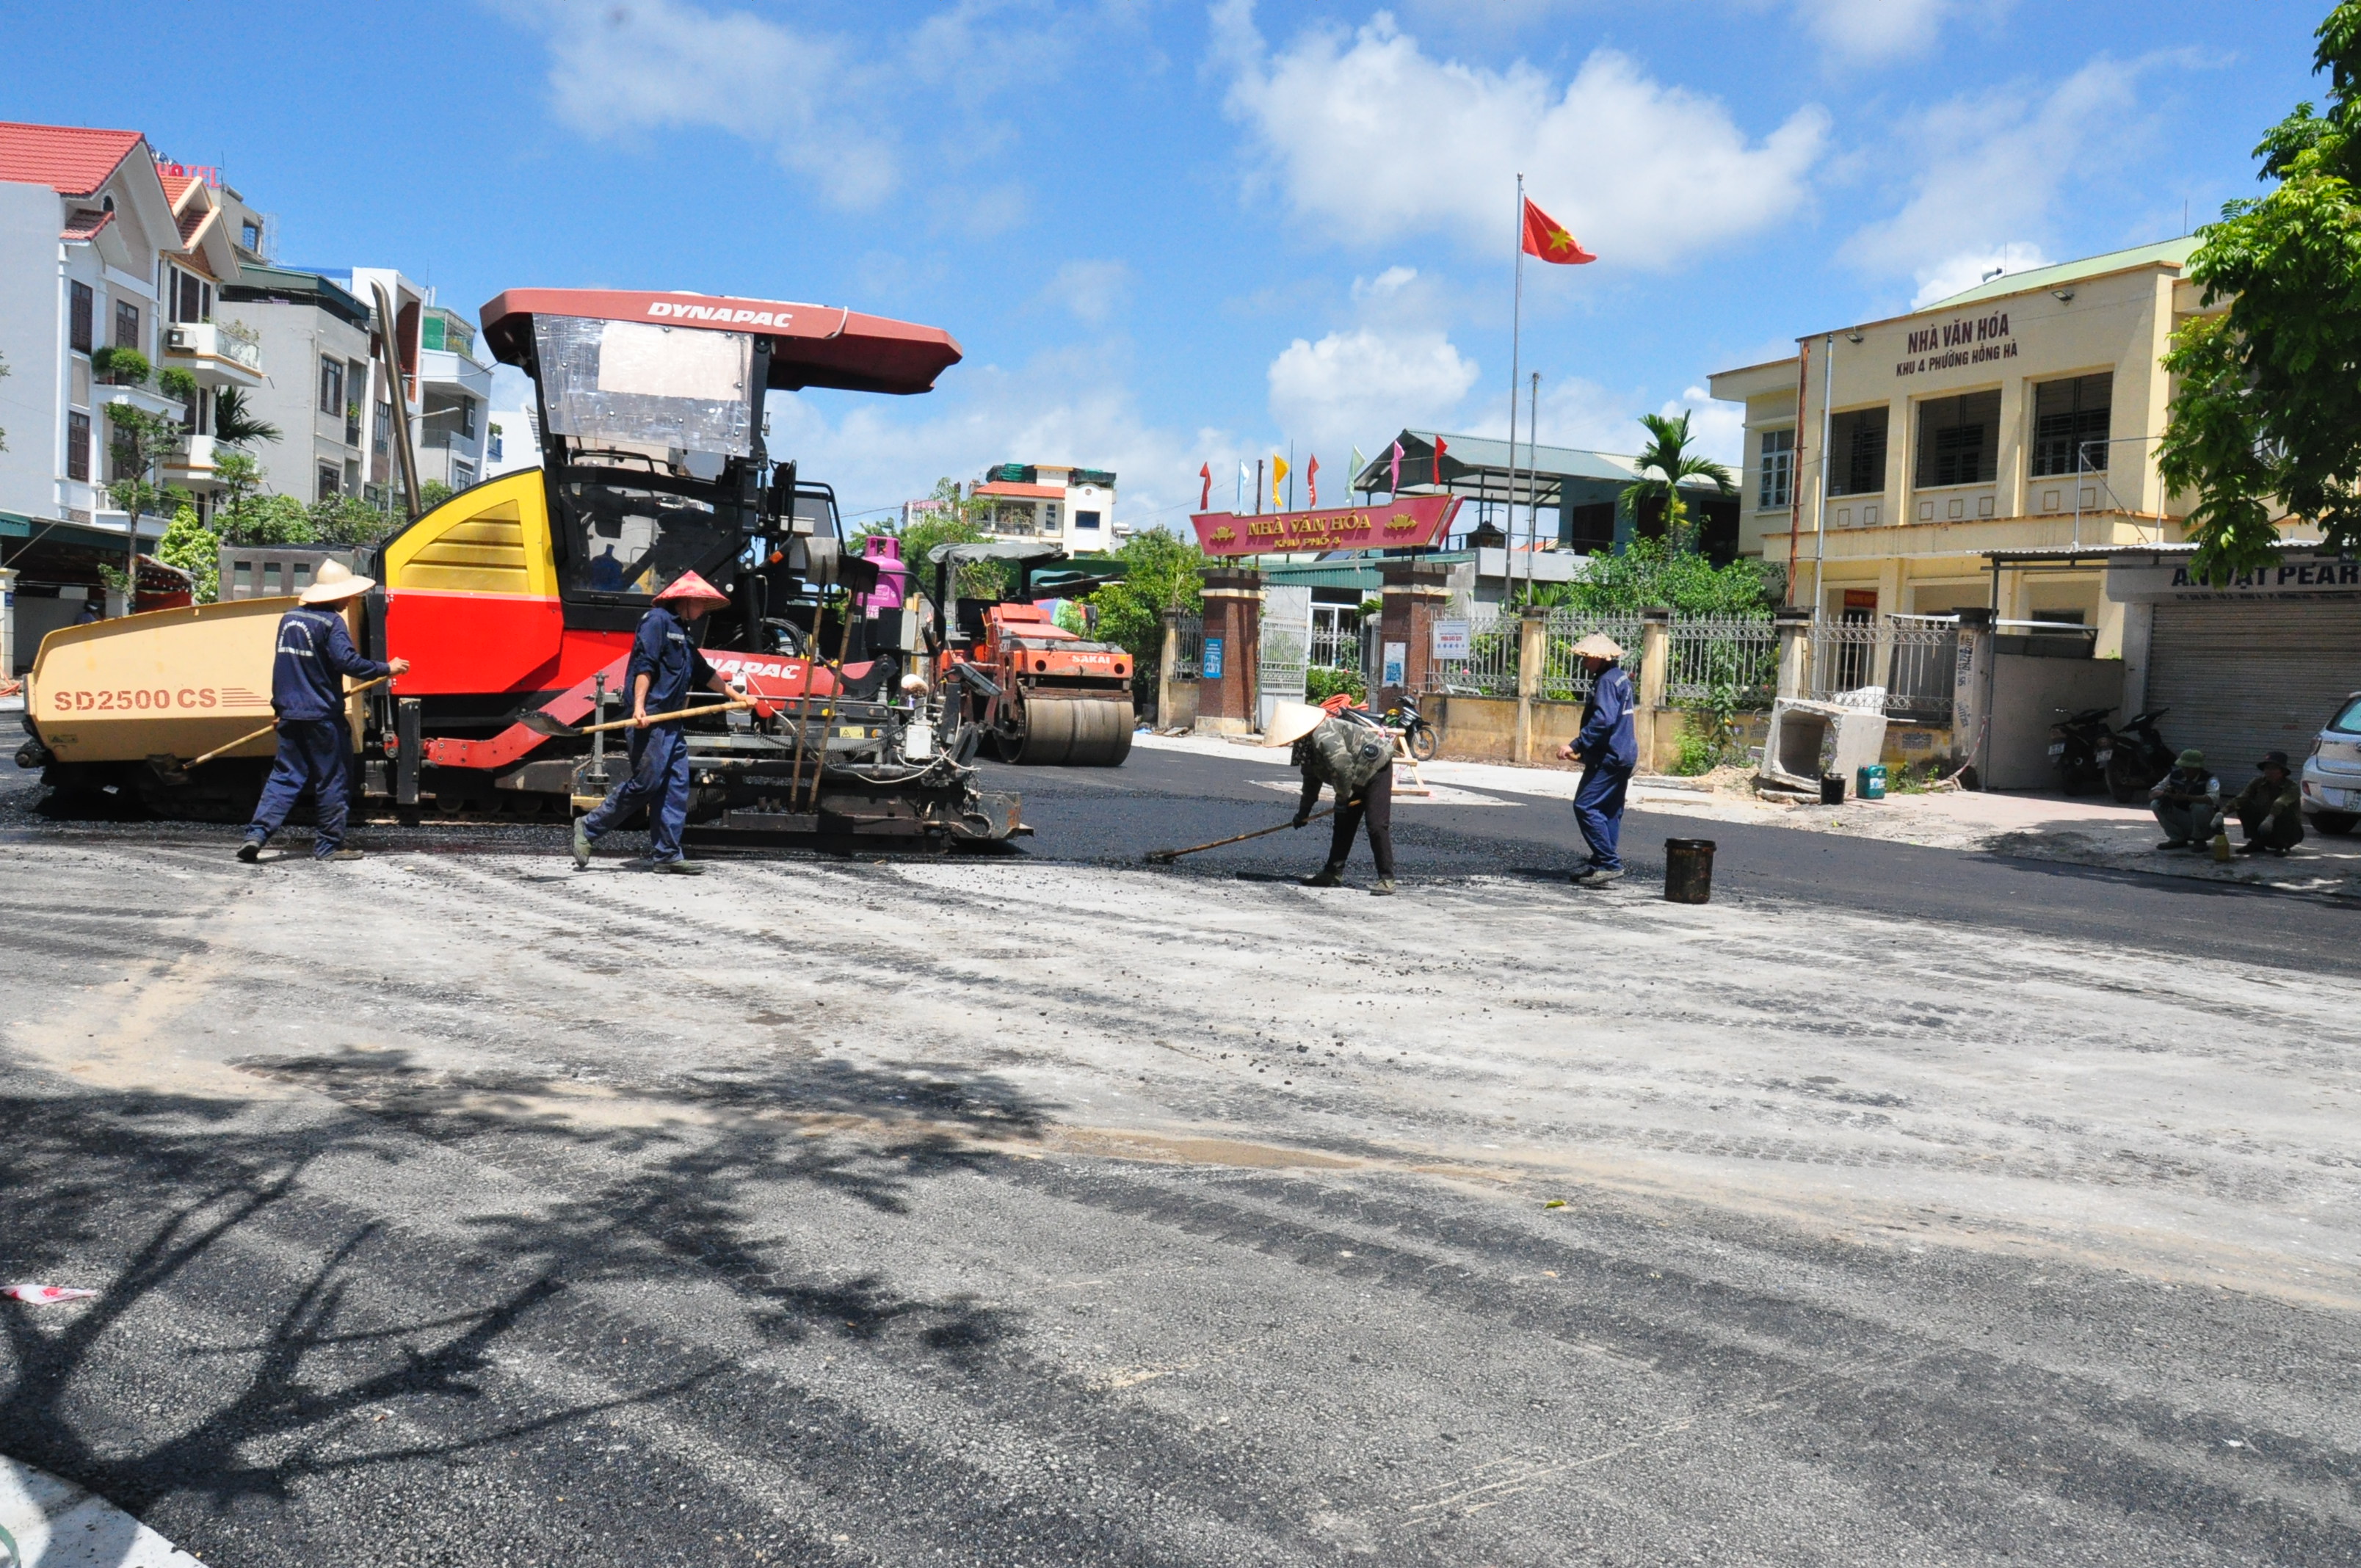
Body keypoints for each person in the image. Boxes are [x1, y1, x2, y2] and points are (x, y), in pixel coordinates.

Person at [573, 570, 744, 875]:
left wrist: (734, 695)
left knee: (676, 787)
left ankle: (667, 854)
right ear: (687, 599)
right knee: (646, 784)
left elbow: (704, 672)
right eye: (701, 603)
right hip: (649, 720)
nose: (703, 610)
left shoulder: (684, 633)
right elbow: (644, 665)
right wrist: (639, 707)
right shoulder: (656, 622)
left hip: (672, 724)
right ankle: (589, 827)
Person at [238, 560, 410, 863]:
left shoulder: (289, 620)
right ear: (335, 595)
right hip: (321, 718)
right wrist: (387, 668)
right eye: (346, 596)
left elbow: (283, 670)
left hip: (291, 714)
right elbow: (348, 663)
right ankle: (329, 846)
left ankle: (256, 836)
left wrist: (280, 709)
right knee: (332, 780)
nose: (348, 601)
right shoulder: (331, 623)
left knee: (284, 778)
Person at [1264, 700, 1397, 895]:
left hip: (1376, 769)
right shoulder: (1305, 747)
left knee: (1376, 824)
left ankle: (1387, 879)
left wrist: (1342, 799)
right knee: (1343, 824)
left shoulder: (1324, 736)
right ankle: (1333, 873)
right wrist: (1303, 813)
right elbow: (1311, 782)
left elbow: (1342, 767)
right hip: (1353, 776)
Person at [1556, 633, 1637, 885]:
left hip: (1610, 757)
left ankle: (1609, 863)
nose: (1584, 662)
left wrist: (1576, 744)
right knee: (1609, 811)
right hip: (1622, 753)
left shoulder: (1606, 682)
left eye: (1588, 658)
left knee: (1586, 806)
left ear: (1602, 658)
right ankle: (1601, 863)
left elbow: (1603, 720)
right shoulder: (1620, 677)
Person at [2232, 750, 2305, 856]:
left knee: (2284, 809)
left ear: (2282, 771)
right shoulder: (2257, 782)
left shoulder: (2292, 787)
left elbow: (2281, 802)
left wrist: (2270, 817)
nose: (2269, 771)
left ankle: (2284, 845)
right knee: (2243, 804)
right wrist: (2221, 814)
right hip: (2263, 828)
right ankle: (2257, 842)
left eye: (2273, 768)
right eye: (2267, 768)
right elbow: (2241, 798)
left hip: (2288, 831)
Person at [2150, 748, 2224, 851]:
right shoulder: (2174, 775)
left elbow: (2213, 798)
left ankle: (2200, 839)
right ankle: (2177, 838)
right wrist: (2166, 793)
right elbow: (2153, 793)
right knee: (2156, 804)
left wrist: (2187, 797)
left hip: (2205, 822)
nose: (2185, 771)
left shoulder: (2211, 779)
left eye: (2189, 768)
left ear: (2198, 768)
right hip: (2183, 817)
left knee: (2199, 807)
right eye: (2183, 767)